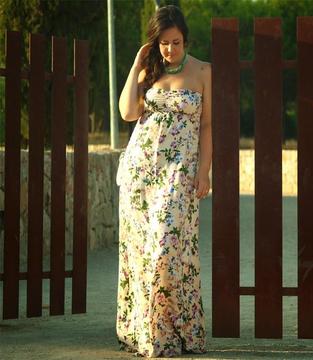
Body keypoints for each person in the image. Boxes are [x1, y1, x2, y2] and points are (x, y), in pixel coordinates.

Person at [115, 4, 211, 358]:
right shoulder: (149, 71)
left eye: (177, 42)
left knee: (168, 247)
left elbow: (208, 125)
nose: (171, 49)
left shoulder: (203, 71)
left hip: (179, 172)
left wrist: (204, 170)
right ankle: (148, 333)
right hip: (141, 172)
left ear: (186, 39)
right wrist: (137, 65)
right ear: (155, 43)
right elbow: (127, 113)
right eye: (164, 43)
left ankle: (176, 329)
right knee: (141, 253)